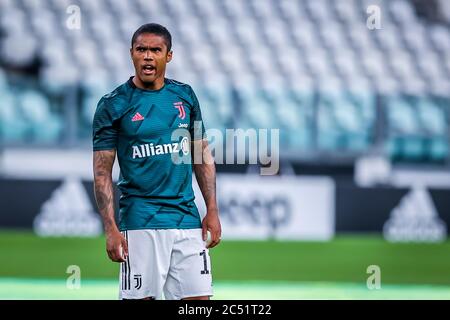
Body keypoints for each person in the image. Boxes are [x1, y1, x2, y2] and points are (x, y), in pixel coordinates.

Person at [92, 23, 221, 300]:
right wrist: (110, 228)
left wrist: (211, 209)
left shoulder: (184, 96)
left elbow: (202, 156)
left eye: (155, 50)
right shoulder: (112, 104)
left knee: (199, 301)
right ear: (132, 54)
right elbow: (102, 172)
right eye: (141, 49)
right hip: (140, 221)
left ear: (168, 56)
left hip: (186, 218)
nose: (148, 56)